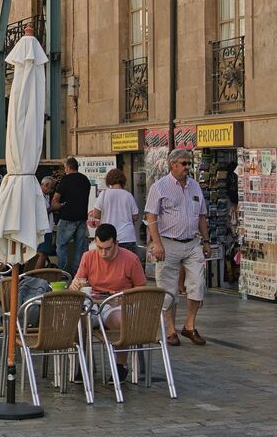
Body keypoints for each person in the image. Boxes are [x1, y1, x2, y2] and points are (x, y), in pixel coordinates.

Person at [145, 148, 211, 347]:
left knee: (198, 284)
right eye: (184, 163)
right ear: (172, 165)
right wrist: (157, 243)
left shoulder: (194, 187)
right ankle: (170, 330)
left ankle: (189, 326)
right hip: (168, 243)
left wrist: (206, 241)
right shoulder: (160, 187)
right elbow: (151, 217)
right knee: (168, 289)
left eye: (189, 163)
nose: (187, 167)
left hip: (192, 243)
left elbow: (201, 216)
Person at [70, 223, 146, 382]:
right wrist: (75, 285)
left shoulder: (130, 259)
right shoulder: (88, 257)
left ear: (116, 243)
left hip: (116, 304)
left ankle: (120, 365)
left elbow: (141, 289)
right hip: (93, 304)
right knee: (77, 319)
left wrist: (123, 296)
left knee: (120, 320)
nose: (103, 253)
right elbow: (77, 284)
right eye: (99, 248)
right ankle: (83, 363)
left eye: (107, 248)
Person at [51, 157, 91, 275]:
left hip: (67, 217)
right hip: (82, 218)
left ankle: (63, 273)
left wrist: (58, 205)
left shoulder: (66, 180)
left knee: (61, 246)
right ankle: (78, 273)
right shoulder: (85, 180)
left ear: (68, 167)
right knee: (80, 247)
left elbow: (55, 200)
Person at [88, 168, 140, 257]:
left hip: (108, 238)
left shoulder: (103, 194)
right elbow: (135, 217)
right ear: (123, 180)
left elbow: (96, 214)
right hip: (126, 237)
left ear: (108, 181)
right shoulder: (128, 195)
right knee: (128, 267)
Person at [35, 176, 57, 269]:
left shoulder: (44, 196)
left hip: (45, 229)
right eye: (51, 187)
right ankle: (36, 274)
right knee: (42, 254)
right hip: (44, 229)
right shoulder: (38, 196)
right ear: (46, 185)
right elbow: (42, 213)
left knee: (43, 253)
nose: (51, 190)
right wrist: (53, 208)